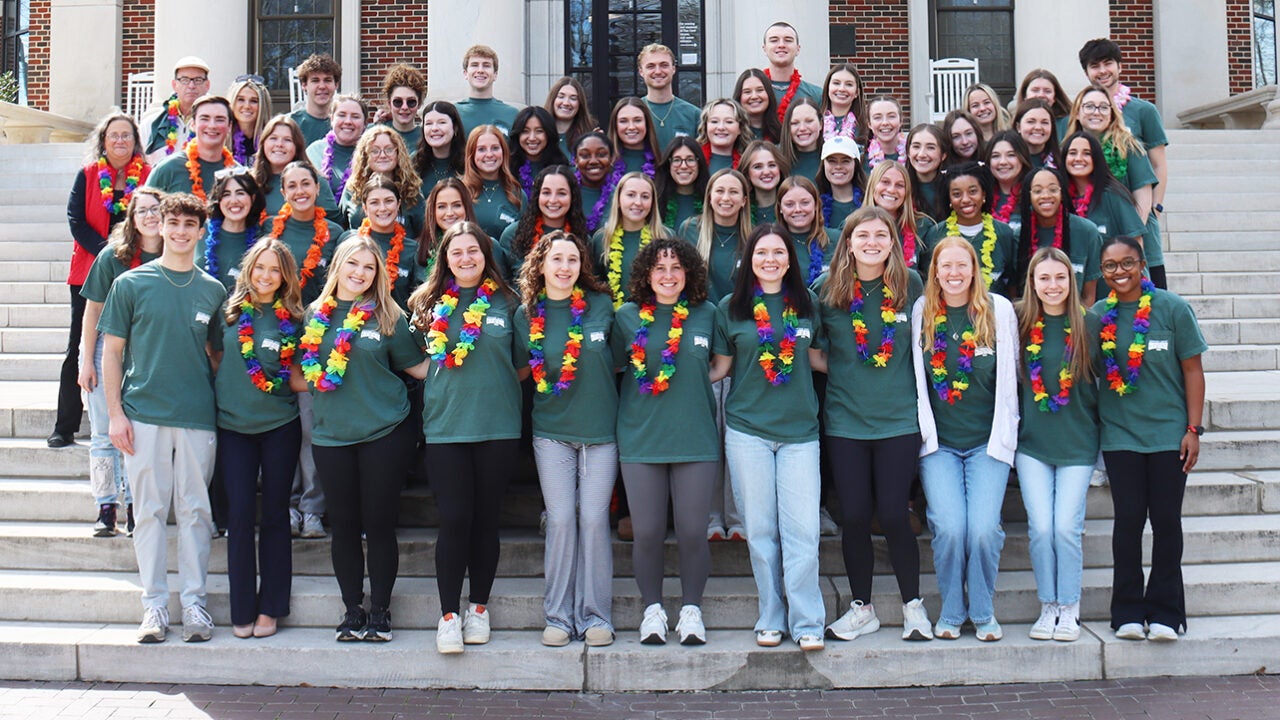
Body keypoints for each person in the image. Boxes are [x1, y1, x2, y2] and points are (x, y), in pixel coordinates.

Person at [99, 192, 228, 643]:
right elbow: (111, 352)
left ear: (199, 231)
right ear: (159, 225)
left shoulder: (213, 290)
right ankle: (153, 606)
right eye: (172, 222)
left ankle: (194, 604)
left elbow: (216, 355)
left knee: (195, 511)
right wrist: (115, 414)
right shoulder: (131, 284)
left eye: (188, 225)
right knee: (149, 512)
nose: (179, 231)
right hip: (143, 413)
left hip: (196, 417)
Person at [300, 235, 427, 643]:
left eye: (369, 267)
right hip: (332, 436)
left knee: (379, 523)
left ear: (379, 274)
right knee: (345, 526)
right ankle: (352, 610)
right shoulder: (313, 315)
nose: (360, 273)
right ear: (337, 265)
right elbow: (303, 375)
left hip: (384, 432)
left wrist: (465, 359)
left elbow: (419, 368)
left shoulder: (389, 315)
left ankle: (381, 612)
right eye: (353, 264)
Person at [406, 222, 524, 655]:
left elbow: (523, 364)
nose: (466, 258)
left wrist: (490, 386)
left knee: (485, 520)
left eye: (473, 251)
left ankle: (478, 607)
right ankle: (449, 616)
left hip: (497, 427)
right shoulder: (425, 302)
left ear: (485, 255)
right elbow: (414, 360)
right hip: (445, 428)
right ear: (445, 258)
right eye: (457, 252)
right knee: (454, 519)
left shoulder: (510, 303)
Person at [815, 206, 932, 642]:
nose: (871, 242)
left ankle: (912, 606)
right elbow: (808, 347)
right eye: (862, 235)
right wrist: (843, 372)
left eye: (880, 235)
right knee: (857, 516)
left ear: (892, 241)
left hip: (898, 421)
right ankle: (862, 608)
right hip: (846, 422)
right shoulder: (827, 290)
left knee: (894, 515)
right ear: (848, 241)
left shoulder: (910, 284)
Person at [709, 223, 827, 651]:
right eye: (762, 253)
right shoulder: (731, 308)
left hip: (800, 433)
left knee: (803, 531)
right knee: (760, 531)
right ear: (749, 260)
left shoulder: (808, 304)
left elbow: (818, 360)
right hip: (748, 433)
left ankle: (808, 620)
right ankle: (771, 615)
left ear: (790, 259)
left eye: (779, 252)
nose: (771, 259)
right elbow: (720, 369)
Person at [1092, 235, 1205, 642]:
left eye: (1127, 263)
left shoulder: (1172, 309)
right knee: (1127, 523)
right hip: (1120, 436)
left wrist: (1193, 429)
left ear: (1142, 265)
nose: (1119, 272)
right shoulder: (1097, 317)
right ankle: (1126, 612)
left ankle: (1166, 613)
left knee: (1166, 522)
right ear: (1102, 272)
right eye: (1110, 266)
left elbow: (1193, 371)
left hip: (1169, 435)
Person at [911, 235, 1019, 642]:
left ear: (975, 269)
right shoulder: (924, 311)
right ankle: (953, 610)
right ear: (934, 272)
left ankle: (983, 609)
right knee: (951, 527)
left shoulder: (998, 311)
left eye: (962, 265)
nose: (954, 273)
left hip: (986, 443)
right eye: (946, 266)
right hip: (939, 445)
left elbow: (1013, 377)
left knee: (984, 530)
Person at [513, 230, 617, 647]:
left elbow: (627, 361)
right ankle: (557, 616)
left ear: (582, 266)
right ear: (541, 264)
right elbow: (519, 372)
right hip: (551, 433)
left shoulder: (602, 307)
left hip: (600, 432)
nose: (564, 267)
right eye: (556, 259)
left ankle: (595, 617)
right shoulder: (526, 315)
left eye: (573, 260)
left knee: (593, 520)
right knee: (559, 520)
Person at [613, 238, 719, 646]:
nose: (669, 275)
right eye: (660, 268)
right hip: (641, 439)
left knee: (693, 532)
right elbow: (613, 367)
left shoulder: (707, 314)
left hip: (694, 437)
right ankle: (652, 610)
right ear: (646, 274)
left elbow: (721, 365)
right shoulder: (625, 317)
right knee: (648, 531)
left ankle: (692, 610)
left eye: (677, 267)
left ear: (688, 273)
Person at [211, 239, 305, 639]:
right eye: (259, 267)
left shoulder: (297, 320)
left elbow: (300, 376)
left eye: (274, 270)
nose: (265, 276)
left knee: (275, 516)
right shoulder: (229, 314)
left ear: (285, 277)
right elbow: (215, 356)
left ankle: (272, 607)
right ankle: (242, 608)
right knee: (239, 516)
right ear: (248, 269)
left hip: (279, 426)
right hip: (233, 428)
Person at [1015, 246, 1100, 643]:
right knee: (1040, 528)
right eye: (1044, 278)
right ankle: (1048, 604)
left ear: (1072, 280)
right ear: (1032, 282)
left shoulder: (1090, 324)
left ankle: (1069, 606)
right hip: (1032, 444)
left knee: (1065, 527)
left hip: (1078, 445)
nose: (1053, 285)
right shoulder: (1018, 323)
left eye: (1060, 277)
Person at [53, 112, 152, 451]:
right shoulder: (88, 175)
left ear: (135, 141)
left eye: (126, 135)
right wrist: (110, 253)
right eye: (114, 135)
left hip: (137, 273)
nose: (120, 141)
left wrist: (129, 256)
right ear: (104, 140)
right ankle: (65, 424)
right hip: (91, 270)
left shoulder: (148, 176)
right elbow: (76, 220)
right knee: (79, 345)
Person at [77, 187, 163, 538]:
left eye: (155, 209)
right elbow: (92, 309)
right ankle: (106, 505)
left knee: (137, 436)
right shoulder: (113, 256)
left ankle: (134, 504)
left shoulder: (175, 254)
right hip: (106, 353)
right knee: (103, 433)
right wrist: (86, 361)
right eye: (141, 211)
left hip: (147, 356)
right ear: (132, 218)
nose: (149, 216)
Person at [679, 168, 752, 541]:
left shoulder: (753, 237)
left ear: (743, 199)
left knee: (736, 436)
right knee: (709, 432)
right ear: (709, 196)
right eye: (719, 191)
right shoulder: (690, 232)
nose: (725, 198)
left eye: (733, 192)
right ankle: (710, 517)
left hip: (742, 348)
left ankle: (737, 517)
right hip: (702, 346)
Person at [1065, 86, 1165, 287]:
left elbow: (1143, 200)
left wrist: (1127, 239)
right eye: (1089, 106)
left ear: (1112, 113)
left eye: (1103, 107)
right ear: (1077, 112)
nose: (1096, 112)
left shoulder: (1128, 146)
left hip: (1122, 234)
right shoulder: (1068, 149)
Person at [1078, 38, 1168, 231]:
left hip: (1136, 211)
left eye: (1108, 63)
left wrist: (1156, 207)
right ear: (1086, 73)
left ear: (1120, 67)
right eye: (1095, 66)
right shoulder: (1081, 114)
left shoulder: (1144, 111)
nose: (1102, 71)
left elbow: (1159, 164)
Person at [1059, 132, 1151, 284]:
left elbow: (1135, 243)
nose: (1078, 158)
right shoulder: (1059, 197)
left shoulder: (1113, 195)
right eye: (1072, 153)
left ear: (1096, 159)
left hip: (1111, 288)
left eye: (1087, 153)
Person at [920, 162, 1017, 296]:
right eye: (957, 194)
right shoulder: (936, 234)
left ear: (984, 194)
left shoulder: (1004, 233)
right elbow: (929, 282)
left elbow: (1012, 283)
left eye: (973, 191)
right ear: (949, 198)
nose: (965, 199)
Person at [1013, 167, 1102, 305]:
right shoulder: (1019, 236)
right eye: (1037, 191)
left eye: (1053, 189)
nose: (1046, 195)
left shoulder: (1087, 231)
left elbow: (1089, 295)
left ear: (1062, 194)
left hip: (1075, 318)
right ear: (1028, 196)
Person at [265, 161, 344, 307]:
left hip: (317, 320)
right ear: (283, 193)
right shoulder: (268, 227)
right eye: (292, 186)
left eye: (306, 184)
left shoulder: (335, 233)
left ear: (317, 187)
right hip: (276, 317)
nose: (300, 191)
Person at [591, 172, 672, 309]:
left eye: (645, 197)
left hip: (653, 317)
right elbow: (595, 287)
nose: (638, 202)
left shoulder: (665, 237)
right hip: (614, 319)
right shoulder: (602, 239)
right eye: (631, 195)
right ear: (618, 199)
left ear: (652, 203)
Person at [339, 175, 420, 309]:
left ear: (398, 204)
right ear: (365, 208)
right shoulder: (348, 241)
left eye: (388, 201)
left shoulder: (413, 249)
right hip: (350, 325)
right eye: (374, 202)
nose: (382, 208)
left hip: (395, 326)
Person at [500, 165, 585, 280]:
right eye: (546, 192)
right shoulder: (513, 234)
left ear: (572, 197)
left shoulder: (582, 238)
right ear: (537, 196)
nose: (553, 200)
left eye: (561, 193)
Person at [145, 95, 236, 201]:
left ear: (229, 126)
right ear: (192, 124)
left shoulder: (236, 172)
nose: (212, 125)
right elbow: (143, 211)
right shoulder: (168, 169)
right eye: (205, 119)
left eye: (220, 119)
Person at [342, 126, 427, 239]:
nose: (382, 155)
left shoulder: (412, 190)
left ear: (398, 153)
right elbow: (341, 226)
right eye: (375, 151)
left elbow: (422, 233)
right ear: (365, 155)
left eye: (389, 149)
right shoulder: (352, 189)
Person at [251, 115, 339, 217]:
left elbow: (333, 224)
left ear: (297, 146)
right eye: (273, 138)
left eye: (287, 140)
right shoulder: (250, 182)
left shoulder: (314, 181)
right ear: (263, 144)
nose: (279, 144)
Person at [199, 167, 268, 290]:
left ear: (252, 198)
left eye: (240, 193)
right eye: (226, 194)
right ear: (218, 200)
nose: (234, 201)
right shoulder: (200, 234)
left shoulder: (263, 239)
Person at [863, 160, 933, 268]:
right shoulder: (854, 225)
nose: (891, 190)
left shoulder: (922, 226)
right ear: (873, 185)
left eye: (899, 185)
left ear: (907, 192)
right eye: (885, 182)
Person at [462, 125, 525, 240]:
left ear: (503, 152)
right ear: (471, 154)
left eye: (495, 148)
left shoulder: (517, 194)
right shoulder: (459, 191)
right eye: (481, 149)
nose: (489, 154)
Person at [143, 56, 211, 162]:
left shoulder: (216, 123)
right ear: (174, 85)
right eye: (184, 80)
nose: (191, 85)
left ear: (207, 85)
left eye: (198, 80)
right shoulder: (152, 123)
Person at [417, 177, 481, 283]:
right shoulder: (419, 250)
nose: (450, 213)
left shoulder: (487, 245)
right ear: (432, 211)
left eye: (457, 205)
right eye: (442, 207)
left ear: (467, 207)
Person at [638, 43, 700, 151]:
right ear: (641, 71)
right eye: (650, 66)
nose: (658, 71)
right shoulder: (633, 113)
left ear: (673, 69)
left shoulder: (694, 115)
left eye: (664, 65)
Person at [306, 94, 367, 202]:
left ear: (365, 123)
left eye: (355, 116)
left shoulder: (372, 154)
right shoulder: (314, 152)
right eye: (342, 115)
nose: (348, 121)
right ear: (332, 119)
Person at [776, 176, 836, 285]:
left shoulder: (836, 239)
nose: (798, 209)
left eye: (805, 203)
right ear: (780, 208)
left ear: (816, 205)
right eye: (789, 204)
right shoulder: (772, 243)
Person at [761, 21, 822, 122]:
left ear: (798, 49)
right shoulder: (751, 94)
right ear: (765, 49)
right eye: (774, 40)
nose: (781, 45)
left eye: (788, 40)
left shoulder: (816, 95)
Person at [456, 44, 521, 136]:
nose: (480, 70)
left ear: (495, 74)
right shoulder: (453, 113)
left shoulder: (512, 114)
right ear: (465, 73)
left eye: (486, 65)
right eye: (474, 65)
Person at [508, 106, 569, 198]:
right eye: (525, 131)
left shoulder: (562, 168)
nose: (532, 138)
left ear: (548, 134)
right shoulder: (506, 168)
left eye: (539, 131)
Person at [572, 131, 621, 235]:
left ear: (612, 158)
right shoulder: (565, 194)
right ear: (576, 161)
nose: (593, 161)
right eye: (585, 156)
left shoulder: (620, 198)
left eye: (601, 154)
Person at [413, 100, 467, 193]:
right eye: (429, 123)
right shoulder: (414, 163)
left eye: (442, 122)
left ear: (455, 128)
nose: (434, 128)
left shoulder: (468, 163)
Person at [657, 136, 709, 230]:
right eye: (677, 160)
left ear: (699, 163)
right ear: (669, 164)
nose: (684, 166)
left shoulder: (711, 200)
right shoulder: (656, 199)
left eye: (690, 160)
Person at [985, 130, 1033, 230]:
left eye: (1011, 155)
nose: (1003, 162)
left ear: (1022, 158)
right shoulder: (982, 198)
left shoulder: (1033, 195)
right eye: (995, 156)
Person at [290, 53, 341, 146]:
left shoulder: (345, 124)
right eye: (315, 80)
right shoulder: (290, 123)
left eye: (327, 80)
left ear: (336, 85)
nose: (322, 86)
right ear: (304, 85)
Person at [816, 135, 866, 231]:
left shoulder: (870, 201)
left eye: (845, 161)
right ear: (823, 165)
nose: (838, 166)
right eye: (832, 161)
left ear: (855, 165)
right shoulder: (814, 205)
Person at [905, 123, 950, 221]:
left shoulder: (953, 187)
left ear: (943, 155)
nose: (921, 154)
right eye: (916, 146)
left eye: (930, 147)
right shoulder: (900, 187)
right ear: (908, 152)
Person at [544, 77, 596, 160]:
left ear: (580, 104)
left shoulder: (589, 137)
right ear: (552, 100)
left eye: (573, 98)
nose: (566, 103)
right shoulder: (540, 135)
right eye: (561, 97)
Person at [608, 97, 661, 178]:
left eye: (637, 120)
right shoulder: (605, 163)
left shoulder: (661, 163)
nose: (631, 127)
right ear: (615, 125)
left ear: (647, 123)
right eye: (623, 121)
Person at [739, 139, 789, 224]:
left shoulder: (793, 207)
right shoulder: (740, 210)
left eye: (772, 165)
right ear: (747, 174)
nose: (766, 172)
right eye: (758, 167)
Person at [378, 63, 426, 152]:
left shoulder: (427, 137)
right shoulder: (375, 132)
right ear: (389, 103)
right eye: (398, 102)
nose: (404, 107)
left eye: (411, 102)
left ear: (419, 104)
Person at [1015, 69, 1072, 140]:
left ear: (1055, 97)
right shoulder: (1014, 122)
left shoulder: (1067, 123)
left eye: (1047, 91)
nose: (1041, 95)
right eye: (1035, 90)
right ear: (1025, 96)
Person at [225, 76, 271, 165]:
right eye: (241, 100)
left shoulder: (271, 138)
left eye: (254, 101)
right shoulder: (221, 136)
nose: (247, 106)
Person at [697, 98, 750, 175]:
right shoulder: (693, 161)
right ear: (705, 127)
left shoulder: (748, 164)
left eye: (729, 122)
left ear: (740, 128)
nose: (721, 127)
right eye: (714, 121)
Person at [820, 64, 866, 143]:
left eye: (849, 84)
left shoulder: (866, 126)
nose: (841, 89)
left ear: (857, 92)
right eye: (836, 83)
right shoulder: (815, 123)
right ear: (828, 88)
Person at [779, 97, 823, 180]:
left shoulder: (832, 156)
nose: (802, 128)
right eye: (795, 123)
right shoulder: (775, 157)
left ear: (820, 124)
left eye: (809, 121)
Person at [735, 68, 781, 143]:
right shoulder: (732, 134)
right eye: (747, 92)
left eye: (760, 90)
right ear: (739, 96)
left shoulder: (782, 133)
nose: (754, 96)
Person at [1013, 99, 1060, 170]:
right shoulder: (1008, 160)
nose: (1038, 127)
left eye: (1044, 123)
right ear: (1018, 127)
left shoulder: (1062, 161)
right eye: (1031, 122)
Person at [864, 97, 906, 171]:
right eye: (877, 117)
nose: (885, 123)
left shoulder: (913, 158)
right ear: (869, 124)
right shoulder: (861, 162)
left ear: (901, 120)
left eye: (891, 116)